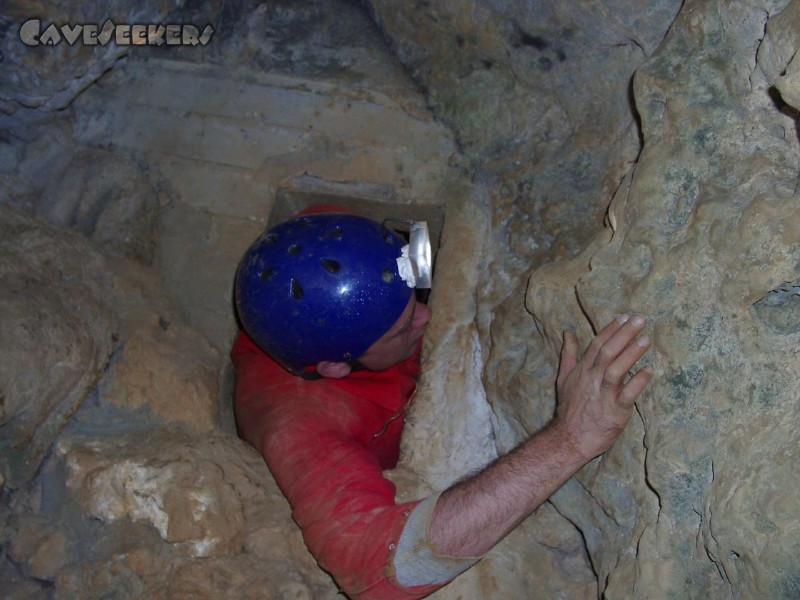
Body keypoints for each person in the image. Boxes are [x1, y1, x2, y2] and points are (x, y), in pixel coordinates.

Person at [231, 207, 652, 599]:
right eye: (400, 329)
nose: (425, 317)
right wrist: (572, 438)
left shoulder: (324, 239)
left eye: (413, 300)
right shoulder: (300, 425)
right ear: (335, 368)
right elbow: (382, 567)